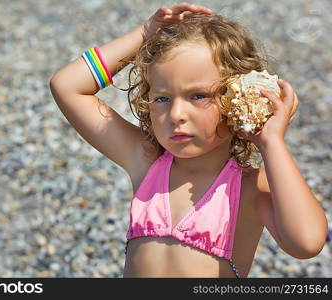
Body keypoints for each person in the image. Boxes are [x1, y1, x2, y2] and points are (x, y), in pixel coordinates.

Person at [49, 3, 328, 278]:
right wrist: (144, 35)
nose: (176, 114)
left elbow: (306, 243)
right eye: (162, 98)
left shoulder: (250, 186)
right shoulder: (148, 162)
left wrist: (272, 143)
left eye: (198, 96)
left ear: (239, 98)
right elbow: (67, 86)